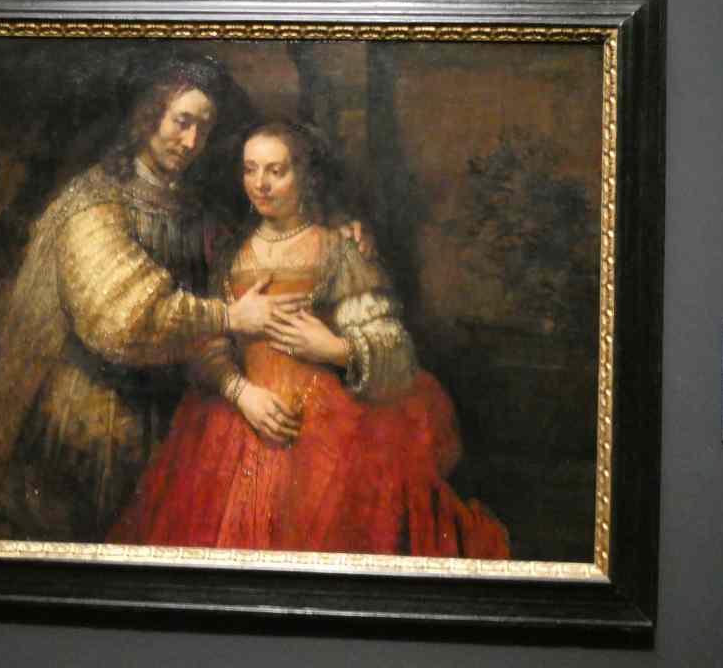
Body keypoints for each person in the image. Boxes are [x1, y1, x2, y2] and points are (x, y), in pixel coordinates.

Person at [0, 56, 309, 542]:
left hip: (178, 412)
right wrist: (228, 317)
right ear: (150, 115)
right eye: (182, 121)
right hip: (91, 424)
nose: (192, 141)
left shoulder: (199, 215)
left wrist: (337, 235)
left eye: (204, 127)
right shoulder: (92, 203)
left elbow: (249, 273)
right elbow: (125, 320)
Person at [110, 121, 510, 558]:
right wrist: (242, 393)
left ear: (304, 175)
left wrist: (333, 349)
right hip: (238, 417)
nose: (260, 184)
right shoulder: (230, 253)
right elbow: (207, 344)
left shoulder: (338, 248)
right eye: (250, 169)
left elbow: (393, 348)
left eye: (276, 170)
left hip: (323, 429)